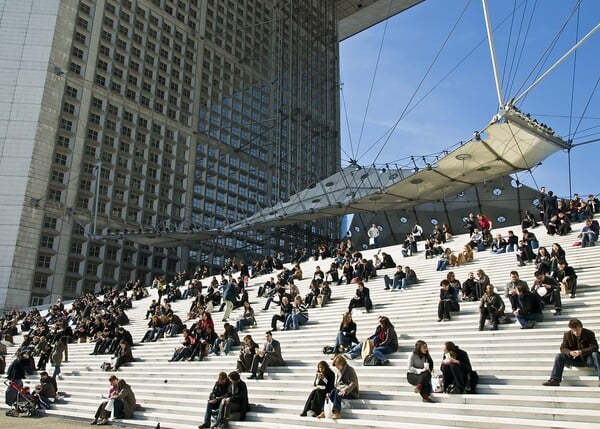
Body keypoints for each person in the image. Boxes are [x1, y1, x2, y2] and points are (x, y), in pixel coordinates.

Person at [542, 318, 600, 387]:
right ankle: (555, 380)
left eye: (577, 330)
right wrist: (570, 352)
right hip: (575, 359)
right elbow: (563, 348)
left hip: (588, 359)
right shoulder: (567, 335)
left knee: (595, 354)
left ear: (581, 327)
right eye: (574, 331)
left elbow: (594, 347)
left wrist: (581, 352)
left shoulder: (589, 333)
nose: (576, 333)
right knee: (559, 356)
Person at [318, 355, 359, 419]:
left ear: (341, 363)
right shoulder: (339, 371)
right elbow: (337, 384)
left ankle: (337, 412)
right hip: (340, 389)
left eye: (337, 365)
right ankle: (324, 411)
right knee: (331, 392)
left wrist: (345, 390)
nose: (336, 367)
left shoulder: (350, 370)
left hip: (350, 391)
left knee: (337, 392)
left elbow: (354, 383)